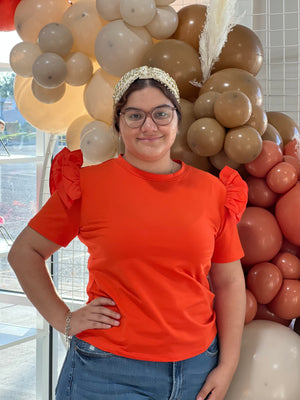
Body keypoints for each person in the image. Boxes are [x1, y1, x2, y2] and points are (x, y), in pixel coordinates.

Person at [8, 65, 248, 400]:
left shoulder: (212, 191)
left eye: (161, 114)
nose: (149, 126)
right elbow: (24, 253)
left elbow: (229, 281)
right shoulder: (88, 186)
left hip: (197, 370)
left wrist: (229, 365)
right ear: (118, 124)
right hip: (106, 372)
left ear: (177, 121)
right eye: (134, 115)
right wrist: (63, 318)